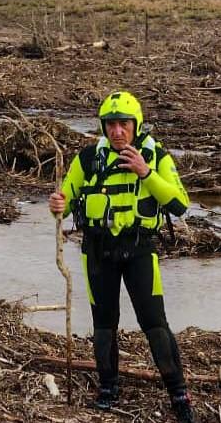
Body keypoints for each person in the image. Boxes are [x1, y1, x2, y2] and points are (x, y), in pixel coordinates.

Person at [49, 91, 196, 422]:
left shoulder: (156, 156)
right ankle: (107, 387)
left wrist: (145, 172)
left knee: (155, 323)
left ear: (136, 125)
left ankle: (178, 392)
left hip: (140, 249)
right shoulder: (88, 159)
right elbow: (66, 200)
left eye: (124, 124)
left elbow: (180, 204)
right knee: (104, 324)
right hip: (98, 251)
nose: (117, 131)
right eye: (111, 125)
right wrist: (57, 204)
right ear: (103, 127)